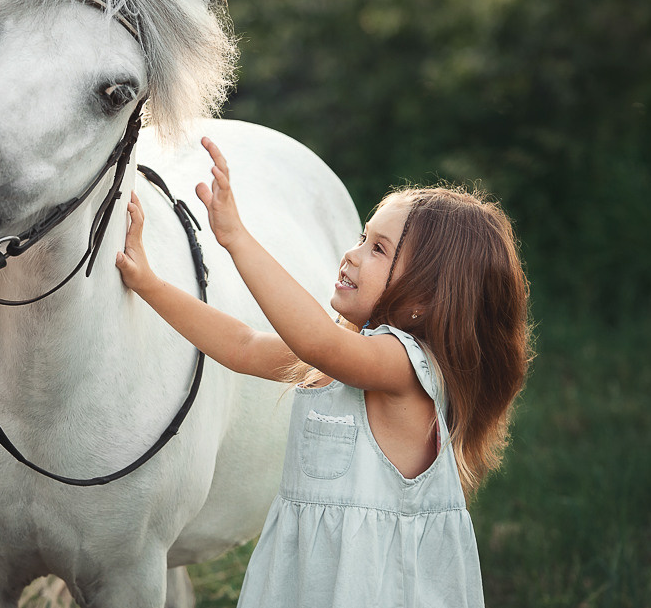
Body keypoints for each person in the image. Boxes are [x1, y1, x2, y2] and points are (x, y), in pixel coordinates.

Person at [115, 138, 531, 607]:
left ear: (427, 298)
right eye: (362, 237)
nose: (352, 254)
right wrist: (148, 284)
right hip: (309, 577)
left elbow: (316, 340)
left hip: (375, 586)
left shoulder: (405, 365)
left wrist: (235, 238)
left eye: (378, 249)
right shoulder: (346, 357)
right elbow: (242, 345)